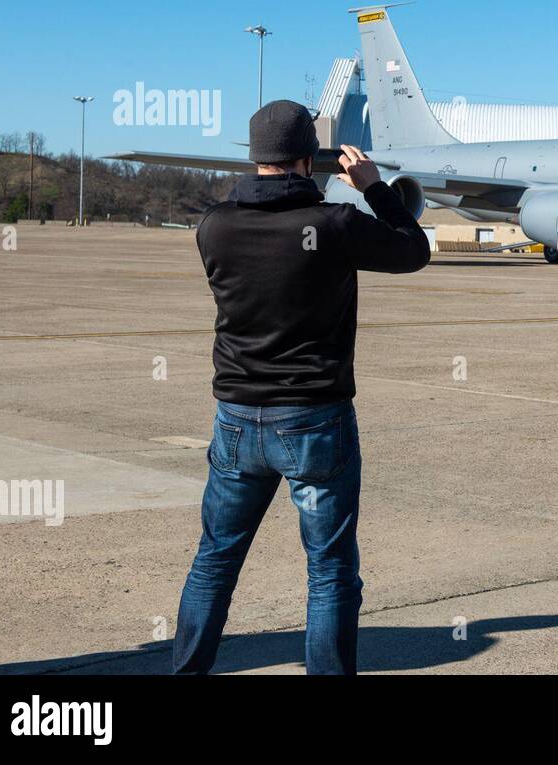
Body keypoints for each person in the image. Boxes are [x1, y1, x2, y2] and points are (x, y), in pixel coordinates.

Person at [173, 100, 429, 674]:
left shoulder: (214, 226)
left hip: (237, 416)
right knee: (330, 569)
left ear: (254, 156)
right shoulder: (332, 225)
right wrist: (374, 188)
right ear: (309, 158)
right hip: (314, 416)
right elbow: (414, 250)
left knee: (214, 559)